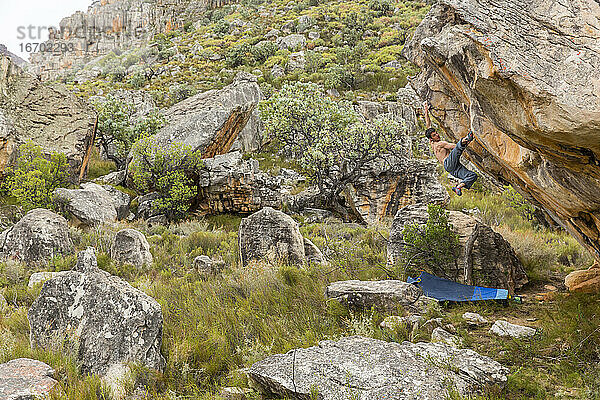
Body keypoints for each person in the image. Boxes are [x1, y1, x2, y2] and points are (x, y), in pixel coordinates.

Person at [423, 101, 477, 196]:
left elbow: (428, 124)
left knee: (472, 175)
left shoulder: (431, 142)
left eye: (436, 133)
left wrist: (426, 110)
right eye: (435, 135)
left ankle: (458, 187)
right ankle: (467, 138)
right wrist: (465, 142)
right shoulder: (440, 144)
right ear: (432, 138)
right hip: (448, 162)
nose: (437, 135)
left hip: (452, 168)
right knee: (458, 147)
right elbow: (454, 147)